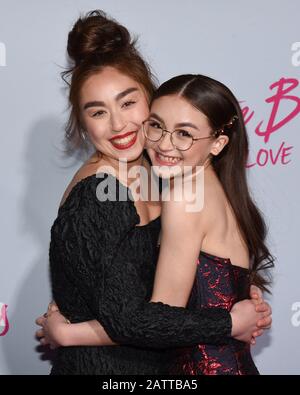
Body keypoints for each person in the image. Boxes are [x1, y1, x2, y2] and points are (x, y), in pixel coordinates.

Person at [35, 10, 272, 375]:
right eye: (98, 112)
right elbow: (130, 318)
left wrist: (236, 293)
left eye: (128, 103)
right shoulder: (100, 193)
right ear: (82, 123)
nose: (118, 125)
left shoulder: (157, 170)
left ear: (151, 100)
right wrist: (226, 323)